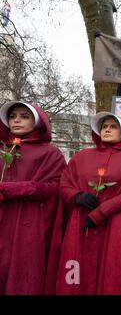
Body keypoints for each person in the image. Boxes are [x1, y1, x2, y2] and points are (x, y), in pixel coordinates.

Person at [52, 112, 121, 294]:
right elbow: (65, 182)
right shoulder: (81, 156)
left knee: (113, 267)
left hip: (115, 221)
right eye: (104, 126)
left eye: (113, 126)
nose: (107, 129)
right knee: (77, 265)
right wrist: (77, 196)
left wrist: (103, 210)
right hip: (82, 219)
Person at [0, 101, 66, 294]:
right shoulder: (3, 150)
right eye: (13, 116)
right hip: (3, 217)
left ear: (37, 122)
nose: (17, 120)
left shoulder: (50, 153)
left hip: (28, 223)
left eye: (24, 116)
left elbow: (54, 188)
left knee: (23, 270)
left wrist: (16, 189)